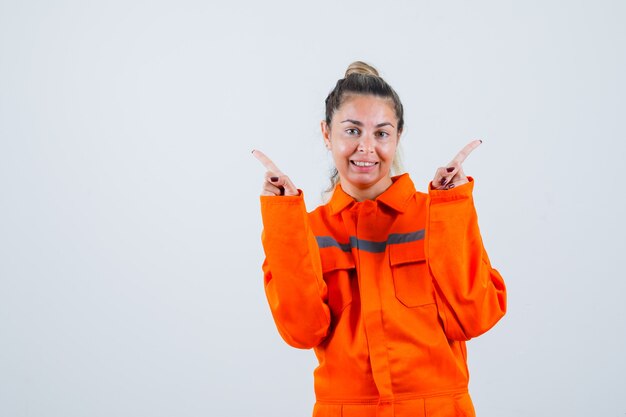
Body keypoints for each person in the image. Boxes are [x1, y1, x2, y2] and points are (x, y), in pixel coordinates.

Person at [252, 61, 506, 417]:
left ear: (398, 136)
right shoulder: (308, 230)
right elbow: (302, 331)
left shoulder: (437, 214)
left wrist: (451, 207)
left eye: (381, 133)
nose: (366, 148)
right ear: (327, 134)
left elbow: (475, 316)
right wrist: (284, 219)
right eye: (352, 131)